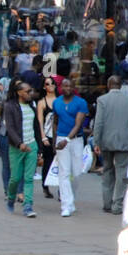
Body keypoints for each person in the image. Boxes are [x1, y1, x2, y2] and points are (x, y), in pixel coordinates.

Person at [93, 75, 128, 217]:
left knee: (107, 170)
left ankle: (107, 203)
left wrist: (96, 141)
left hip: (106, 141)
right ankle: (117, 204)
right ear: (120, 85)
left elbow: (98, 122)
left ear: (108, 85)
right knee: (121, 173)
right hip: (124, 142)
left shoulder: (102, 100)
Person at [51, 79, 90, 218]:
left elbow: (78, 124)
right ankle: (66, 205)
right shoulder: (56, 102)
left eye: (70, 86)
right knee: (64, 173)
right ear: (61, 87)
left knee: (77, 173)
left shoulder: (81, 103)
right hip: (61, 139)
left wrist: (67, 140)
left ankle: (70, 199)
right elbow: (55, 121)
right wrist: (55, 141)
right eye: (65, 85)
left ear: (74, 87)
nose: (67, 88)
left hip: (75, 140)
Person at [3, 78, 40, 217]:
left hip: (31, 145)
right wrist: (19, 143)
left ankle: (28, 206)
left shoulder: (32, 105)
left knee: (29, 178)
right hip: (17, 147)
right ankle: (11, 198)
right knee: (15, 178)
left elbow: (36, 127)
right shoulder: (10, 106)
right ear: (19, 93)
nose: (31, 93)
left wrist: (39, 148)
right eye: (27, 91)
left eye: (31, 91)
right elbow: (10, 128)